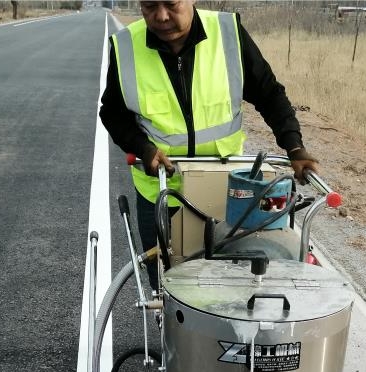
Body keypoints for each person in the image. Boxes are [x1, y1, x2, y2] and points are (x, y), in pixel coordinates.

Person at [99, 0, 318, 290]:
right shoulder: (127, 45)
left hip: (226, 194)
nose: (162, 16)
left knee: (227, 283)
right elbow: (113, 113)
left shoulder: (228, 34)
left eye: (171, 4)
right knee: (165, 288)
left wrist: (294, 147)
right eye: (150, 6)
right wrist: (144, 149)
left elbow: (269, 94)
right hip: (161, 193)